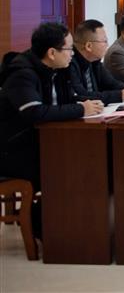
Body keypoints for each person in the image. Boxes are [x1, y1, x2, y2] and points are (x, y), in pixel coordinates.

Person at [0, 23, 104, 237]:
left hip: (41, 141)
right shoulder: (22, 73)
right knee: (69, 168)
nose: (73, 54)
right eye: (69, 49)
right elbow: (34, 112)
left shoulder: (58, 70)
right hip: (12, 151)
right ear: (51, 52)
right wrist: (80, 109)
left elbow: (70, 99)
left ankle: (85, 226)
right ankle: (49, 228)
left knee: (91, 160)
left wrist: (88, 105)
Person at [69, 19, 124, 104]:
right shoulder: (69, 63)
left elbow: (112, 84)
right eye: (104, 41)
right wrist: (122, 95)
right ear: (89, 46)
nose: (107, 45)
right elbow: (81, 96)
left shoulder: (94, 61)